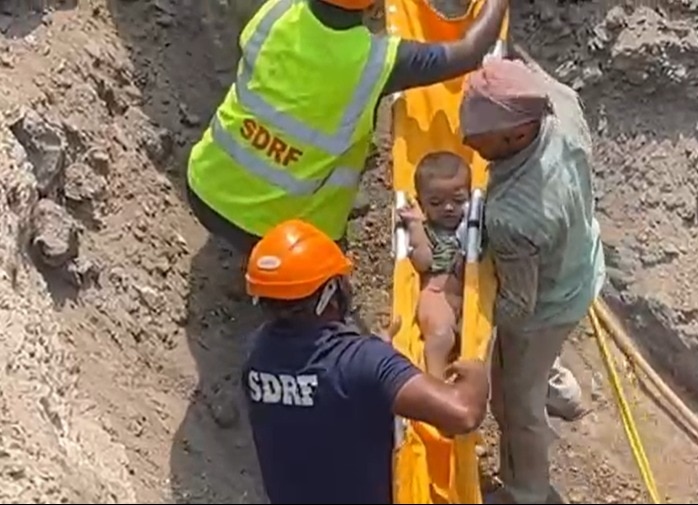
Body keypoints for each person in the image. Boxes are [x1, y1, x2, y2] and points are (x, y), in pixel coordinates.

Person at [186, 0, 509, 256]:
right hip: (269, 234)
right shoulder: (376, 61)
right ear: (373, 7)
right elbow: (470, 52)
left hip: (203, 185)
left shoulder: (276, 10)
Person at [242, 218, 490, 504]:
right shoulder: (362, 363)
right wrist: (478, 375)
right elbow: (462, 414)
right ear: (329, 294)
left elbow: (317, 393)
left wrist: (372, 360)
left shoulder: (256, 355)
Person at [459, 58, 607, 504]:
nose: (468, 141)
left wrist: (467, 310)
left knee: (514, 403)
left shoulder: (513, 215)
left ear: (516, 135)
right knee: (542, 361)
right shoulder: (557, 100)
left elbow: (517, 308)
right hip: (582, 265)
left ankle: (526, 491)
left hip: (545, 305)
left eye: (478, 139)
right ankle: (560, 389)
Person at [399, 151, 470, 379]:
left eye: (458, 200)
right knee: (441, 336)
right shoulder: (428, 229)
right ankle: (435, 381)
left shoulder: (471, 226)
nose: (448, 208)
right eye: (436, 203)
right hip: (436, 293)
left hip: (467, 296)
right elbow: (422, 263)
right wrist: (416, 228)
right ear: (421, 204)